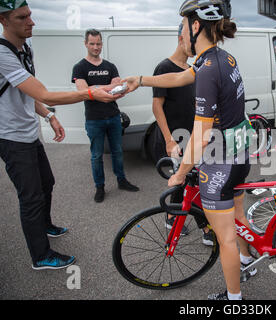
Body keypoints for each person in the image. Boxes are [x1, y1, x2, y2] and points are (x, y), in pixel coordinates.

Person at [124, 0, 255, 300]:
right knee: (236, 216)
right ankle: (247, 260)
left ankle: (234, 298)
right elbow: (180, 77)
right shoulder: (219, 57)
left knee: (225, 238)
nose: (182, 33)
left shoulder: (208, 68)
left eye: (183, 26)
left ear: (195, 26)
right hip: (238, 154)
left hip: (221, 162)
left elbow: (200, 135)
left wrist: (180, 175)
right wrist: (141, 80)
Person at [0, 2, 122, 270]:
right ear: (4, 21)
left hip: (29, 133)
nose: (31, 22)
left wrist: (49, 116)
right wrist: (89, 92)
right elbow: (42, 92)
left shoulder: (25, 49)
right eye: (22, 17)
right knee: (30, 197)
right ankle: (41, 256)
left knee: (47, 183)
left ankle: (44, 226)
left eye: (31, 15)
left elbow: (28, 94)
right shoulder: (2, 53)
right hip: (11, 137)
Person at [151, 23, 213, 244]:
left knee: (189, 181)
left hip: (192, 136)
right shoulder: (163, 67)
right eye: (192, 41)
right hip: (175, 137)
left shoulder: (191, 68)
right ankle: (197, 225)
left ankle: (179, 218)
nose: (195, 48)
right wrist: (168, 140)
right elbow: (157, 107)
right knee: (185, 182)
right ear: (181, 38)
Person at [72, 29, 139, 203]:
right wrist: (105, 87)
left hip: (113, 116)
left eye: (98, 43)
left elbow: (119, 88)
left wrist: (96, 88)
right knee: (96, 155)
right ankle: (99, 187)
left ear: (102, 44)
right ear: (86, 44)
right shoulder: (79, 67)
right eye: (92, 43)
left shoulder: (110, 66)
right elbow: (83, 91)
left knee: (117, 151)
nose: (96, 47)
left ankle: (122, 181)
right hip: (94, 119)